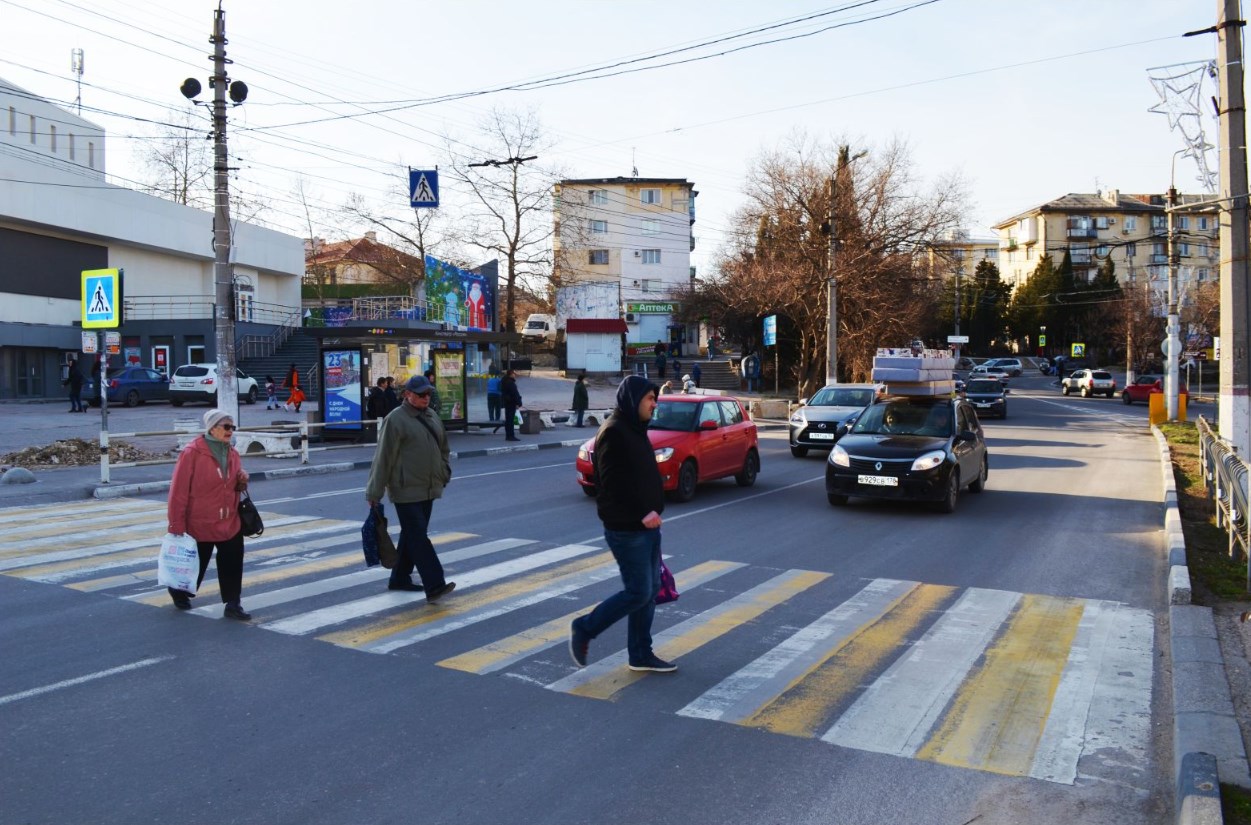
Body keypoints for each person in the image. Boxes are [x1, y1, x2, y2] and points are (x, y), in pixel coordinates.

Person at [569, 376, 675, 673]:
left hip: (646, 527)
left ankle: (640, 654)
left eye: (655, 399)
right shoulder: (614, 431)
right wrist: (642, 512)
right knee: (639, 592)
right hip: (627, 528)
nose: (654, 404)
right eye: (650, 399)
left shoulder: (634, 428)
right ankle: (585, 628)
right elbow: (611, 483)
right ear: (633, 399)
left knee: (649, 591)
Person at [365, 375, 455, 603]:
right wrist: (374, 492)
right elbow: (383, 458)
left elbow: (443, 448)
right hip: (405, 490)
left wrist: (443, 471)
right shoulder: (395, 420)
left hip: (429, 488)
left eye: (428, 393)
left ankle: (399, 577)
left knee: (411, 535)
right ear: (407, 394)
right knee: (418, 537)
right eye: (421, 394)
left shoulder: (432, 416)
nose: (426, 398)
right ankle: (435, 584)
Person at [166, 409, 252, 620]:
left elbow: (233, 486)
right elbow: (178, 491)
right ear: (212, 428)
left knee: (233, 562)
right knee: (196, 564)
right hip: (201, 521)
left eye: (232, 427)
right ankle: (179, 591)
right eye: (226, 427)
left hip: (229, 520)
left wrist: (242, 480)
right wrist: (176, 524)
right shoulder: (192, 452)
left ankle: (233, 604)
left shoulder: (233, 453)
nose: (230, 431)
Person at [500, 369, 523, 441]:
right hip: (511, 403)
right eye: (514, 374)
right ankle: (511, 436)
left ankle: (508, 435)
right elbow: (514, 393)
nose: (515, 375)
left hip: (507, 402)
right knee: (510, 420)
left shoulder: (504, 381)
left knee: (508, 420)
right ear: (511, 374)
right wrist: (518, 402)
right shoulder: (510, 382)